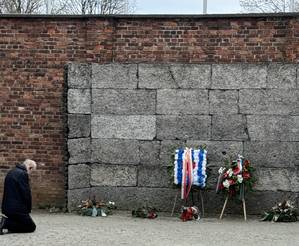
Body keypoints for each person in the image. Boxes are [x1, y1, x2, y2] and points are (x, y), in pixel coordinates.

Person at [0, 159, 37, 234]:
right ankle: (6, 223)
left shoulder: (12, 171)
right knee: (31, 227)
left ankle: (6, 222)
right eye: (31, 171)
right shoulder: (23, 174)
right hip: (17, 209)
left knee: (20, 222)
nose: (30, 174)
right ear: (30, 168)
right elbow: (26, 193)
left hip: (7, 208)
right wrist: (28, 210)